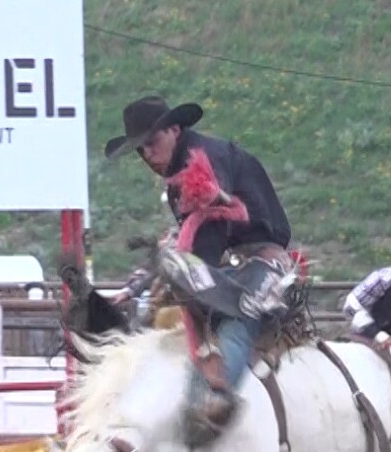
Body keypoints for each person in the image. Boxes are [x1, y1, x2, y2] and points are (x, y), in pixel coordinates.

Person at [105, 95, 292, 431]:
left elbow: (209, 222)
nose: (148, 155)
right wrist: (134, 289)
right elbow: (184, 238)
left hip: (260, 262)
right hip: (222, 270)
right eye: (141, 150)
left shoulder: (204, 161)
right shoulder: (181, 176)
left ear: (175, 130)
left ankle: (212, 401)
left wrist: (181, 273)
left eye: (152, 142)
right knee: (162, 322)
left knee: (241, 314)